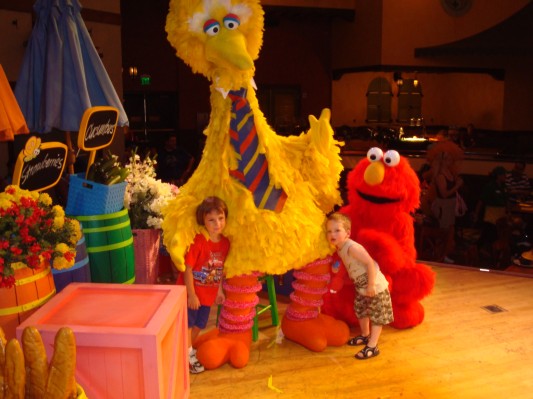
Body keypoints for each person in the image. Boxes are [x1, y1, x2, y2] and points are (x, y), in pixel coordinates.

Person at [326, 212, 393, 360]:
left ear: (347, 233)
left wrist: (371, 285)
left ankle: (373, 345)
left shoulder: (352, 247)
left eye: (337, 230)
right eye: (329, 231)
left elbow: (369, 263)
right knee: (361, 310)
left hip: (374, 285)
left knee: (376, 315)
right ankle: (365, 335)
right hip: (360, 285)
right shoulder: (340, 247)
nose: (332, 234)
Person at [179, 196, 230, 373]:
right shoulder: (199, 241)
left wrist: (219, 290)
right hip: (193, 294)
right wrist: (191, 294)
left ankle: (186, 350)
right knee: (188, 325)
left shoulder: (225, 243)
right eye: (211, 220)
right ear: (203, 221)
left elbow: (220, 269)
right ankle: (187, 356)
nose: (217, 223)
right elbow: (187, 269)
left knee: (199, 325)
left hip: (208, 295)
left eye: (221, 218)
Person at [427, 141, 464, 263]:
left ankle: (445, 254)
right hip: (444, 206)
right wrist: (457, 185)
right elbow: (444, 194)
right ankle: (440, 256)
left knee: (449, 231)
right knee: (444, 232)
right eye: (447, 158)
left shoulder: (449, 173)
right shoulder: (440, 176)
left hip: (450, 205)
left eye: (450, 158)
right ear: (442, 160)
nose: (450, 161)